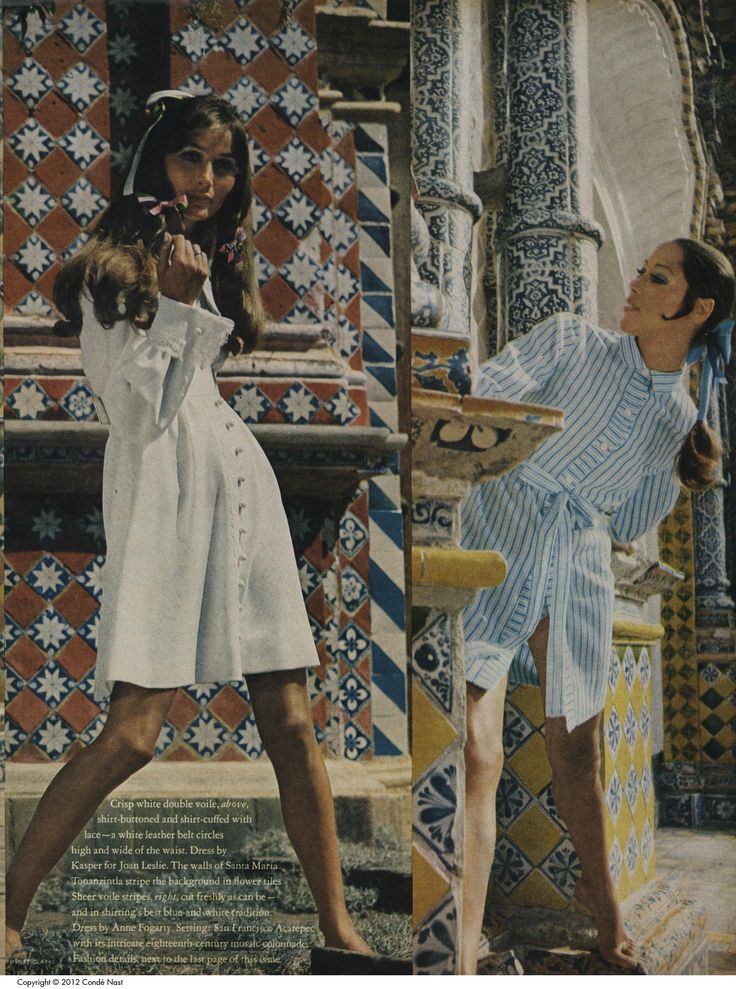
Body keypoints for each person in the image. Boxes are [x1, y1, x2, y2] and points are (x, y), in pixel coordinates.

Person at [5, 91, 370, 960]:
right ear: (153, 163)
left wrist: (189, 292)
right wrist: (172, 303)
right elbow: (135, 417)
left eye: (221, 163)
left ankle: (341, 929)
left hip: (239, 488)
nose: (207, 179)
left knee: (291, 721)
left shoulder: (206, 259)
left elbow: (195, 395)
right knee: (134, 731)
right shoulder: (102, 273)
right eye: (189, 159)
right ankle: (10, 908)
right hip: (163, 497)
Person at [459, 238, 735, 974]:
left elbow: (632, 513)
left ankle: (605, 907)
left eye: (657, 277)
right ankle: (462, 942)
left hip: (579, 558)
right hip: (501, 523)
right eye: (645, 272)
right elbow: (484, 394)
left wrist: (585, 521)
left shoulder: (677, 423)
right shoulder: (569, 339)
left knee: (580, 747)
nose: (637, 286)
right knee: (477, 749)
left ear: (696, 307)